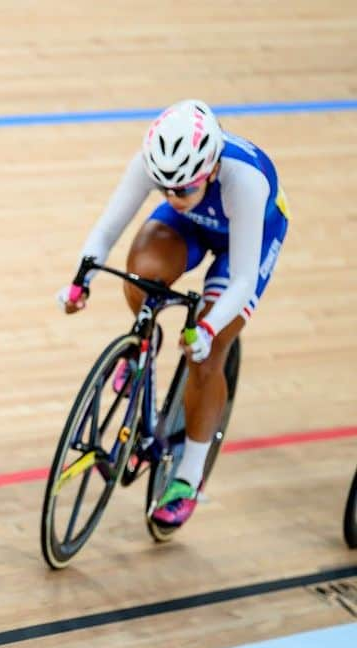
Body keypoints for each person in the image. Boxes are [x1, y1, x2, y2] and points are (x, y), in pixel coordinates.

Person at [57, 99, 289, 528]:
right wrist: (80, 279)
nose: (171, 196)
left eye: (182, 189)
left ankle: (188, 477)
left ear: (211, 169)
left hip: (247, 239)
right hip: (193, 228)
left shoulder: (246, 182)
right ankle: (146, 344)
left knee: (208, 352)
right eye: (164, 188)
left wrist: (207, 325)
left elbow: (241, 280)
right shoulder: (156, 165)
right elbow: (108, 228)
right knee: (142, 276)